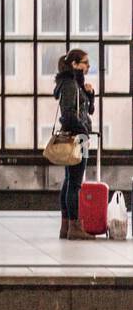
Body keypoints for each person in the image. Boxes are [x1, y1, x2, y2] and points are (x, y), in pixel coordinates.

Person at [55, 48, 97, 241]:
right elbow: (69, 115)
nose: (88, 66)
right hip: (77, 138)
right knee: (75, 184)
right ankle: (75, 226)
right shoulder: (71, 84)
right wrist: (83, 132)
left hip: (77, 136)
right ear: (74, 64)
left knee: (69, 181)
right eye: (85, 63)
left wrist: (91, 95)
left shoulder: (74, 83)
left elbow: (88, 111)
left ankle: (66, 227)